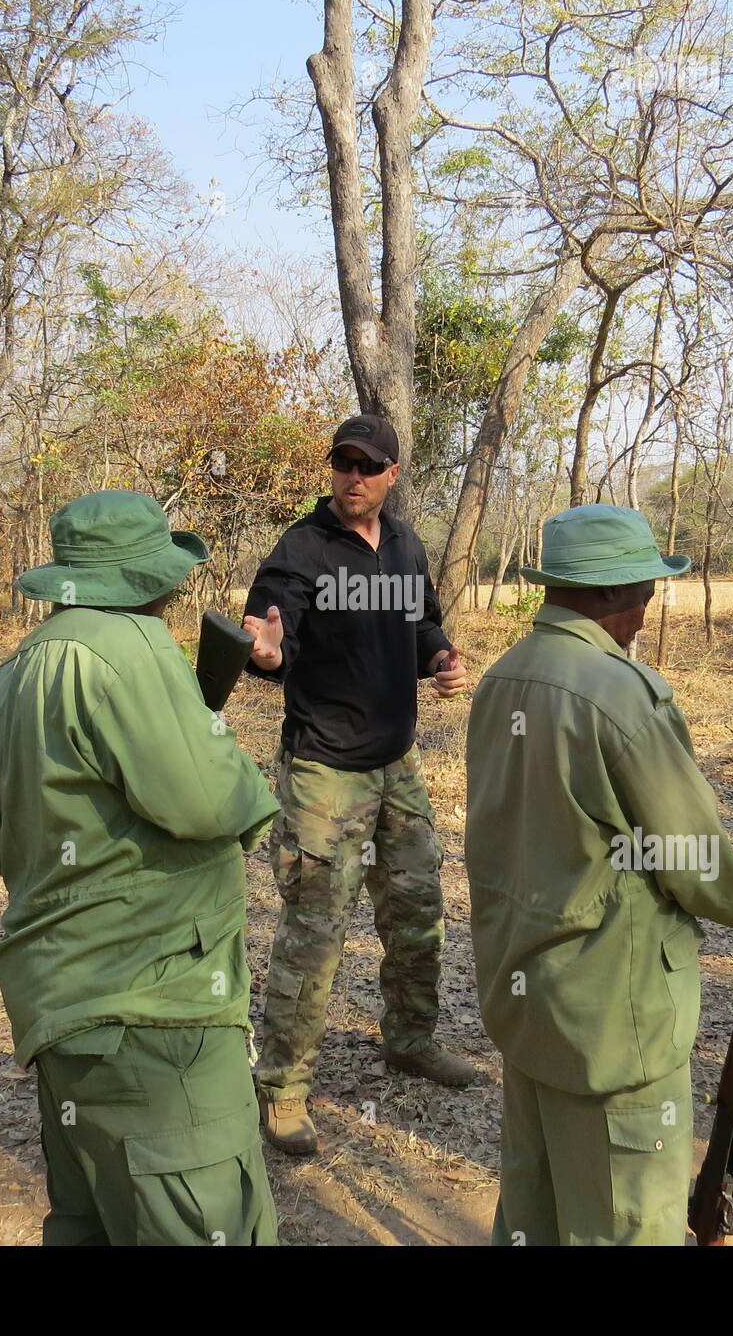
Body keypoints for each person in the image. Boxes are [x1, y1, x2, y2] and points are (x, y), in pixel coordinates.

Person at [464, 504, 733, 1245]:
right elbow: (701, 871)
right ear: (612, 594)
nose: (648, 611)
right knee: (626, 1222)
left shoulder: (502, 678)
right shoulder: (621, 695)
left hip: (530, 1001)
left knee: (534, 1210)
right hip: (614, 1021)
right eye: (645, 591)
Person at [0, 491, 279, 1246]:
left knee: (93, 1222)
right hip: (153, 1011)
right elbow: (216, 805)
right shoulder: (132, 650)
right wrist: (215, 738)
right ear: (149, 579)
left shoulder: (14, 673)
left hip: (63, 1011)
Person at [242, 414, 472, 1156]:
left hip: (397, 762)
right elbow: (271, 631)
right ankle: (280, 1088)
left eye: (369, 466)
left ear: (392, 474)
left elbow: (420, 626)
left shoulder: (406, 546)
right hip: (322, 771)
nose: (354, 477)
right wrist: (268, 654)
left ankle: (409, 1039)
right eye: (343, 464)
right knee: (315, 934)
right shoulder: (301, 550)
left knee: (418, 909)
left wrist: (439, 657)